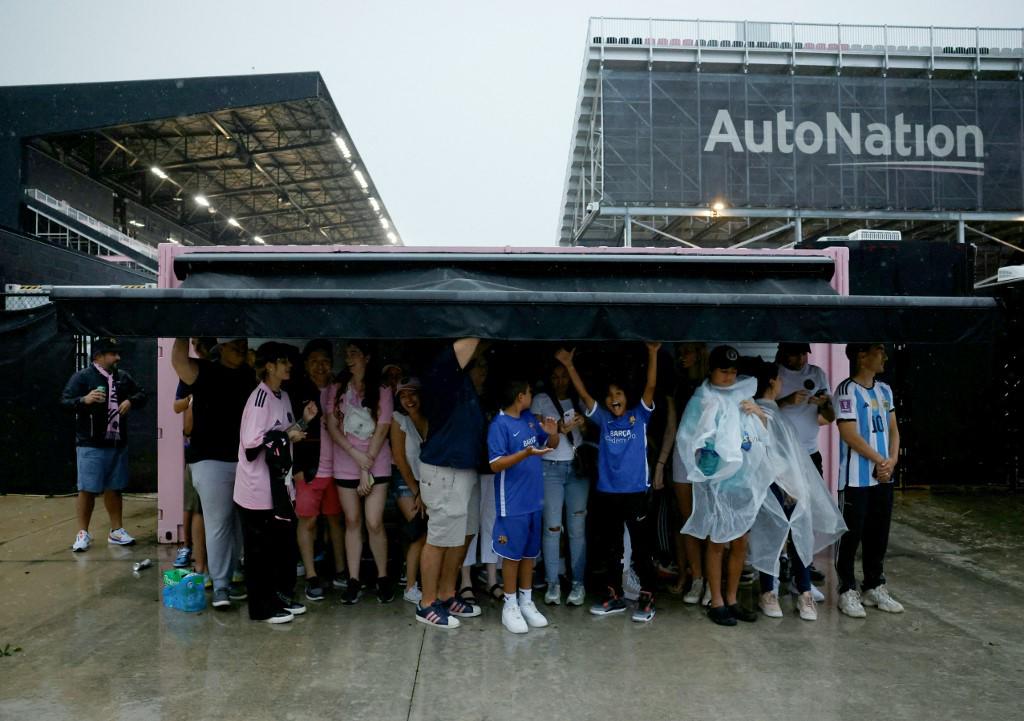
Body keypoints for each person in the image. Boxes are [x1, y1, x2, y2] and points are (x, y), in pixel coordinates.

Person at [555, 342, 660, 623]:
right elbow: (584, 395)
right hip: (608, 493)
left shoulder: (639, 416)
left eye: (619, 394)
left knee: (640, 548)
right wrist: (568, 365)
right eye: (610, 395)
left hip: (636, 493)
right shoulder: (602, 419)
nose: (614, 399)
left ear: (628, 396)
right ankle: (614, 597)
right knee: (611, 547)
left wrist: (652, 353)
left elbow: (651, 386)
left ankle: (648, 598)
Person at [677, 345, 772, 627]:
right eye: (723, 371)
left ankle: (732, 598)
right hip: (717, 482)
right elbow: (688, 439)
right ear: (711, 370)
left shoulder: (743, 393)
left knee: (740, 541)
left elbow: (761, 435)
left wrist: (759, 414)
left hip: (744, 480)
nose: (729, 377)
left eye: (732, 371)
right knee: (717, 540)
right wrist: (709, 453)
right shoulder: (702, 399)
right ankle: (716, 599)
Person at [747, 360, 847, 622]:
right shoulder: (763, 413)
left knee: (791, 533)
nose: (782, 383)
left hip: (786, 486)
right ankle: (771, 590)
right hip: (772, 486)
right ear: (772, 382)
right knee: (777, 533)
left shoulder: (773, 413)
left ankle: (800, 589)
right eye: (779, 379)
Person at [235, 342, 317, 623]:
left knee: (280, 548)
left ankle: (279, 596)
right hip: (257, 490)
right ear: (269, 366)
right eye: (283, 361)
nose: (289, 366)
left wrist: (304, 423)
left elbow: (286, 431)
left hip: (278, 488)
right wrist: (286, 438)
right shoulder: (259, 399)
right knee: (260, 553)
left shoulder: (281, 396)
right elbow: (250, 443)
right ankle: (261, 608)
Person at [171, 337, 254, 609]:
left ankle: (229, 577)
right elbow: (178, 361)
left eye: (242, 343)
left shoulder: (248, 374)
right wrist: (181, 329)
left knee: (238, 525)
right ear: (221, 348)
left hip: (243, 459)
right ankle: (220, 586)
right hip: (209, 460)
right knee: (218, 523)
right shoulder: (205, 371)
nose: (240, 348)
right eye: (234, 344)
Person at [415, 338, 488, 629]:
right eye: (479, 366)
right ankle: (427, 603)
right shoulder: (444, 374)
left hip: (465, 470)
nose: (484, 371)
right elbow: (468, 344)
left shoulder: (467, 388)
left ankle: (446, 594)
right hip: (444, 469)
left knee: (463, 534)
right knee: (439, 537)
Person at [833, 343, 905, 618]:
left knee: (879, 532)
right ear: (862, 356)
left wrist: (892, 461)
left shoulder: (884, 390)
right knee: (851, 533)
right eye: (879, 351)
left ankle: (874, 585)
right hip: (856, 478)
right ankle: (846, 589)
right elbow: (849, 434)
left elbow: (894, 428)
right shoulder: (846, 391)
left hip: (883, 476)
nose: (885, 356)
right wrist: (878, 459)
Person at [325, 340, 396, 604]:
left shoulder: (383, 388)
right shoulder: (337, 388)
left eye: (354, 353)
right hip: (346, 460)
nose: (349, 359)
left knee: (373, 521)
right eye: (346, 354)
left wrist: (367, 464)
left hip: (375, 459)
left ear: (367, 357)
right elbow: (332, 427)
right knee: (352, 520)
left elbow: (384, 426)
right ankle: (354, 580)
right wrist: (358, 460)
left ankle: (382, 577)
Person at [61, 337, 147, 552]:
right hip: (91, 442)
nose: (117, 357)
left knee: (114, 486)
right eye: (112, 353)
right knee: (87, 488)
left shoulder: (121, 377)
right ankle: (82, 533)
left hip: (116, 441)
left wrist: (131, 401)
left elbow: (142, 393)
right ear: (99, 355)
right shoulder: (82, 378)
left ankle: (116, 530)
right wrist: (84, 400)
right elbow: (64, 401)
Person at [488, 379, 559, 633]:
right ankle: (510, 604)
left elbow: (550, 445)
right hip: (512, 503)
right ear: (520, 396)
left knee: (530, 554)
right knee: (512, 555)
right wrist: (525, 453)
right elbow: (495, 464)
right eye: (529, 392)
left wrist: (552, 432)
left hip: (533, 500)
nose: (532, 396)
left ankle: (526, 601)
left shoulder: (529, 418)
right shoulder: (499, 424)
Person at [290, 340, 347, 602]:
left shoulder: (340, 389)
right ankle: (312, 575)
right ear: (305, 365)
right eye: (314, 361)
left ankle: (341, 570)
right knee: (308, 521)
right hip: (310, 469)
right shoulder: (297, 390)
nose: (320, 366)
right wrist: (298, 467)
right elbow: (290, 430)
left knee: (336, 519)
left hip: (340, 467)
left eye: (324, 360)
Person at [655, 342, 709, 602]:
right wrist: (662, 463)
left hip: (709, 454)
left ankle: (709, 580)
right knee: (686, 521)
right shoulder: (676, 384)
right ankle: (692, 577)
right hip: (682, 454)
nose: (682, 357)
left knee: (709, 520)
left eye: (687, 351)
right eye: (680, 352)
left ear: (700, 352)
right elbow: (672, 426)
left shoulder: (711, 383)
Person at [531, 362, 588, 606]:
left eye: (564, 376)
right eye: (555, 376)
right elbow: (534, 432)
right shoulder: (541, 399)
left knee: (577, 528)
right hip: (549, 468)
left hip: (577, 468)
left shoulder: (579, 398)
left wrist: (582, 424)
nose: (560, 381)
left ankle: (578, 582)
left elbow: (593, 429)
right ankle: (552, 582)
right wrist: (558, 430)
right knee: (552, 527)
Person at [172, 337, 215, 580]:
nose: (200, 350)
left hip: (222, 450)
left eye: (204, 345)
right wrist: (191, 400)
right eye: (197, 345)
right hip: (196, 447)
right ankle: (190, 551)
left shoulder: (224, 372)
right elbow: (176, 406)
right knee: (193, 505)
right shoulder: (190, 374)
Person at [390, 377, 429, 604]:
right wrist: (417, 492)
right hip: (407, 481)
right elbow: (399, 458)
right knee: (419, 529)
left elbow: (429, 443)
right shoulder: (398, 419)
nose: (408, 400)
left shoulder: (429, 417)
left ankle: (422, 581)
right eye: (403, 396)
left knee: (429, 533)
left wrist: (416, 415)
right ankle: (411, 586)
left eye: (412, 394)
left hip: (429, 481)